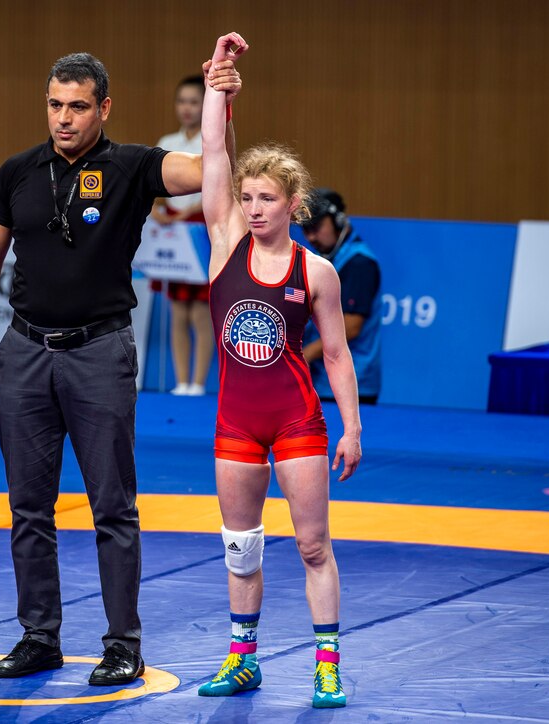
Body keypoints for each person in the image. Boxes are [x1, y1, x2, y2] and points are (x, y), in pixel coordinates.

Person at [0, 52, 241, 686]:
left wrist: (221, 103)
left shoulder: (133, 166)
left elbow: (213, 174)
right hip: (23, 354)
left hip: (100, 353)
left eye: (78, 106)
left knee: (113, 508)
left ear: (104, 108)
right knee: (28, 507)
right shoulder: (17, 172)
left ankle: (122, 645)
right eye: (55, 105)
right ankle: (38, 636)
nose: (64, 118)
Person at [197, 33, 362, 708]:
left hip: (297, 421)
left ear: (293, 204)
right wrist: (218, 85)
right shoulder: (225, 244)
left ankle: (326, 663)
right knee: (242, 548)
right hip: (236, 423)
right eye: (248, 195)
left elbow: (337, 353)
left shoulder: (315, 271)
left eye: (267, 197)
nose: (255, 206)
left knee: (313, 545)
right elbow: (213, 152)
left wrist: (351, 428)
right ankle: (244, 659)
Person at [150, 75, 214, 396]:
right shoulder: (167, 141)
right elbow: (154, 185)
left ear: (205, 106)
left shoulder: (212, 139)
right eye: (182, 101)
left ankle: (199, 383)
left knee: (200, 312)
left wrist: (190, 213)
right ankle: (180, 381)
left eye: (194, 102)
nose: (187, 108)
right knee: (177, 308)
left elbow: (220, 185)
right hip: (174, 228)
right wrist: (157, 210)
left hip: (201, 227)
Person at [301, 188, 383, 404]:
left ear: (337, 221)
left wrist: (305, 355)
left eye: (316, 228)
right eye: (305, 229)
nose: (310, 237)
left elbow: (352, 325)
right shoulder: (323, 260)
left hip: (352, 381)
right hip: (322, 378)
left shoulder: (360, 264)